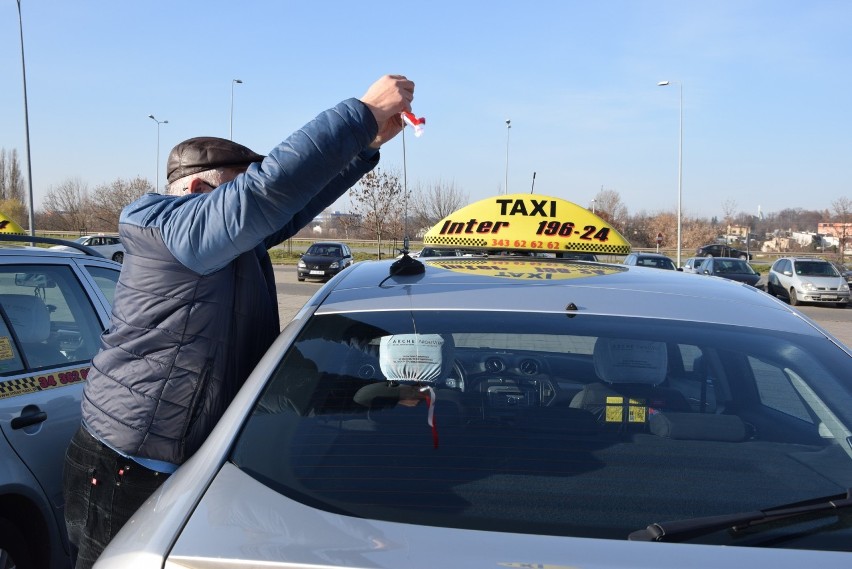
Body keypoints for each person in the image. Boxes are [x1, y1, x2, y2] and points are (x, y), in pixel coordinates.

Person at [61, 74, 415, 568]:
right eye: (236, 190)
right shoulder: (163, 225)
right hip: (126, 465)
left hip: (186, 464)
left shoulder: (228, 249)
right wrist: (361, 113)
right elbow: (267, 193)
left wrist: (364, 146)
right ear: (200, 188)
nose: (247, 211)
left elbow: (290, 203)